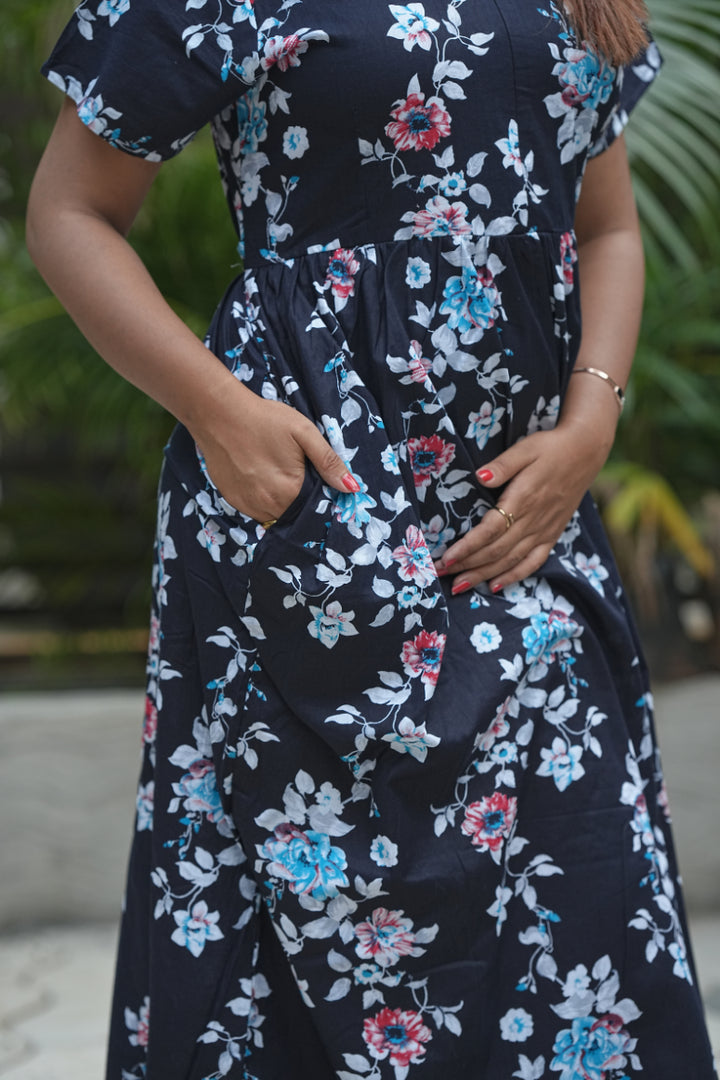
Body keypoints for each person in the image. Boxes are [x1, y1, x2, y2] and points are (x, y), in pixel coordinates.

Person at [27, 1, 717, 1077]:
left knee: (587, 924)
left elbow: (607, 225)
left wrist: (593, 419)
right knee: (283, 957)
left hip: (526, 522)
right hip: (304, 525)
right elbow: (70, 212)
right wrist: (218, 412)